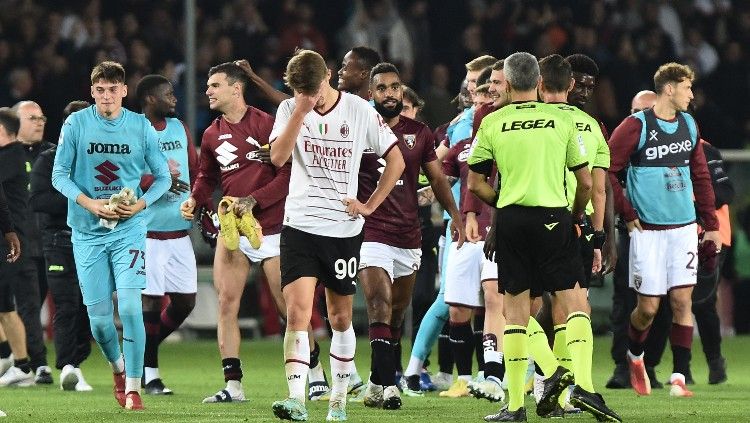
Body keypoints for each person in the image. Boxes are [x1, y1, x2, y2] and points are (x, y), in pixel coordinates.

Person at [468, 52, 619, 422]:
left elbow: (476, 183)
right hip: (555, 217)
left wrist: (503, 201)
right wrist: (572, 217)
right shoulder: (562, 121)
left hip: (513, 220)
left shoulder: (492, 122)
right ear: (538, 82)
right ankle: (583, 386)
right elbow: (586, 183)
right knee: (573, 303)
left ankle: (517, 407)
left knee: (515, 312)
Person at [269, 49, 404, 422]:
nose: (309, 97)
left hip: (342, 230)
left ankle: (339, 402)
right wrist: (300, 111)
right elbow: (277, 159)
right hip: (299, 225)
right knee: (297, 313)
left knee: (339, 318)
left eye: (312, 91)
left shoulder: (359, 111)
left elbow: (396, 159)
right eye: (300, 92)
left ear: (328, 75)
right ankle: (297, 398)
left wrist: (371, 204)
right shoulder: (288, 109)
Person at [52, 61, 172, 410]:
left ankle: (133, 388)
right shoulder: (76, 124)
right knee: (101, 322)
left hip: (129, 231)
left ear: (123, 91)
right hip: (87, 233)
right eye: (100, 90)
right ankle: (117, 369)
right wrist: (91, 204)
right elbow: (59, 175)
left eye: (112, 89)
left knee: (132, 308)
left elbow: (162, 177)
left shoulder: (140, 127)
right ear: (92, 92)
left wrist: (138, 207)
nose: (106, 96)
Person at [178, 62, 301, 404]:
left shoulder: (266, 124)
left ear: (236, 88)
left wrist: (253, 200)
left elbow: (286, 176)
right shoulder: (211, 134)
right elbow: (207, 177)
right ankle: (233, 386)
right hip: (233, 228)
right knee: (226, 304)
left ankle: (315, 373)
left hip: (273, 228)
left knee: (288, 308)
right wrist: (195, 199)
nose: (208, 91)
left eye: (215, 85)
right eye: (208, 86)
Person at [607, 62, 720, 398]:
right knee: (648, 310)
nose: (691, 95)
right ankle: (635, 357)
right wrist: (627, 213)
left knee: (682, 301)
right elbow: (608, 171)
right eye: (686, 88)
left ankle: (679, 378)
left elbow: (700, 175)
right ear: (669, 89)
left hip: (683, 228)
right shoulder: (635, 126)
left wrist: (710, 225)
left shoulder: (688, 124)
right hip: (648, 232)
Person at [358, 62, 464, 410]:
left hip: (408, 235)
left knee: (397, 313)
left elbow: (436, 179)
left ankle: (376, 380)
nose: (389, 94)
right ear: (370, 93)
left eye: (395, 87)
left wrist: (457, 217)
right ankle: (389, 385)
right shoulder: (358, 129)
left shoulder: (419, 133)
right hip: (371, 231)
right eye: (382, 88)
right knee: (378, 304)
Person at [535, 54, 611, 416]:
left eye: (589, 86)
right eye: (578, 83)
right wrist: (594, 232)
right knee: (573, 306)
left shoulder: (528, 119)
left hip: (536, 218)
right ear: (566, 82)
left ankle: (550, 380)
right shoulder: (590, 127)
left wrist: (599, 235)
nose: (582, 90)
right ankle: (569, 386)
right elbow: (596, 186)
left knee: (519, 308)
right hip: (573, 220)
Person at [135, 74, 198, 395]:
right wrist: (158, 182)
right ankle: (151, 374)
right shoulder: (133, 130)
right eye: (167, 94)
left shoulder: (179, 128)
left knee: (186, 301)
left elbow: (196, 168)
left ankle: (139, 353)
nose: (174, 99)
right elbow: (124, 175)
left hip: (179, 230)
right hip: (147, 231)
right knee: (151, 301)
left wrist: (200, 201)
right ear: (149, 99)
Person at [29, 100, 93, 392]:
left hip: (94, 239)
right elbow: (39, 200)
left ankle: (77, 358)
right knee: (67, 303)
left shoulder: (98, 158)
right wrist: (82, 201)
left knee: (90, 307)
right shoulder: (49, 159)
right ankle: (70, 366)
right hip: (59, 240)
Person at [606, 90, 661, 389]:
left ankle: (649, 364)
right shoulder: (622, 143)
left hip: (662, 231)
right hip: (630, 231)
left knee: (658, 302)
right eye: (634, 111)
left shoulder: (666, 146)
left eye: (646, 111)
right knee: (623, 298)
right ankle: (620, 365)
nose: (639, 117)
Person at [10, 100, 53, 384]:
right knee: (24, 305)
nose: (39, 122)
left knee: (33, 305)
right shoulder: (6, 156)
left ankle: (20, 361)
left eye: (41, 117)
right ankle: (38, 365)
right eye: (32, 117)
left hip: (49, 241)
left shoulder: (53, 154)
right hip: (19, 243)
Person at [0, 107, 33, 388]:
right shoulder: (13, 156)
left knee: (7, 306)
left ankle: (22, 365)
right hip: (12, 238)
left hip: (9, 242)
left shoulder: (10, 157)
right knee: (4, 306)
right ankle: (11, 358)